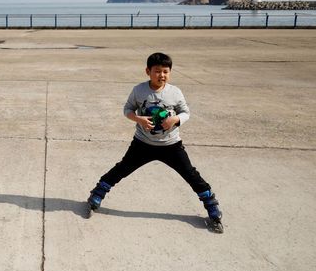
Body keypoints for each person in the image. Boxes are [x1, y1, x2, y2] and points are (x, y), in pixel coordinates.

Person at [87, 52, 223, 232]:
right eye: (157, 71)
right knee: (122, 168)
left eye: (166, 71)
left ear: (170, 73)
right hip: (142, 144)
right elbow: (127, 109)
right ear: (148, 71)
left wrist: (175, 120)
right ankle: (97, 193)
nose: (162, 75)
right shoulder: (139, 90)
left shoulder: (175, 92)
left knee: (191, 174)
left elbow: (185, 112)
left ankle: (211, 205)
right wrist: (138, 119)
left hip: (171, 146)